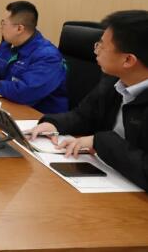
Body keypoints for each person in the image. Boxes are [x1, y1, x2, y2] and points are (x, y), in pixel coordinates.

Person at [29, 10, 148, 190]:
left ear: (128, 60)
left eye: (102, 46)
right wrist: (54, 124)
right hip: (109, 175)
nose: (96, 51)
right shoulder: (114, 80)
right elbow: (84, 115)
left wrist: (100, 142)